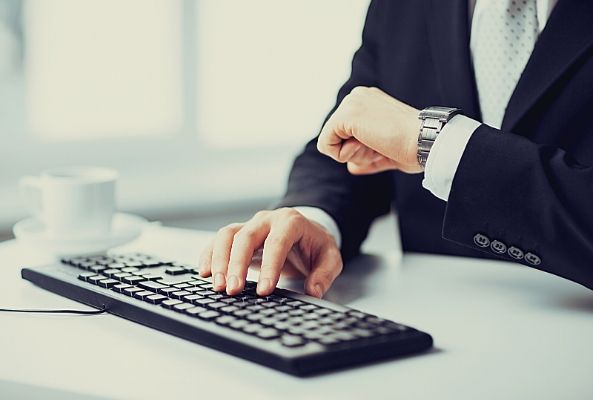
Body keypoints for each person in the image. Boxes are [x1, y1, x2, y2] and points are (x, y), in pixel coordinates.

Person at [199, 0, 593, 298]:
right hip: (427, 328)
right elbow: (350, 138)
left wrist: (435, 142)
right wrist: (314, 221)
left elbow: (408, 135)